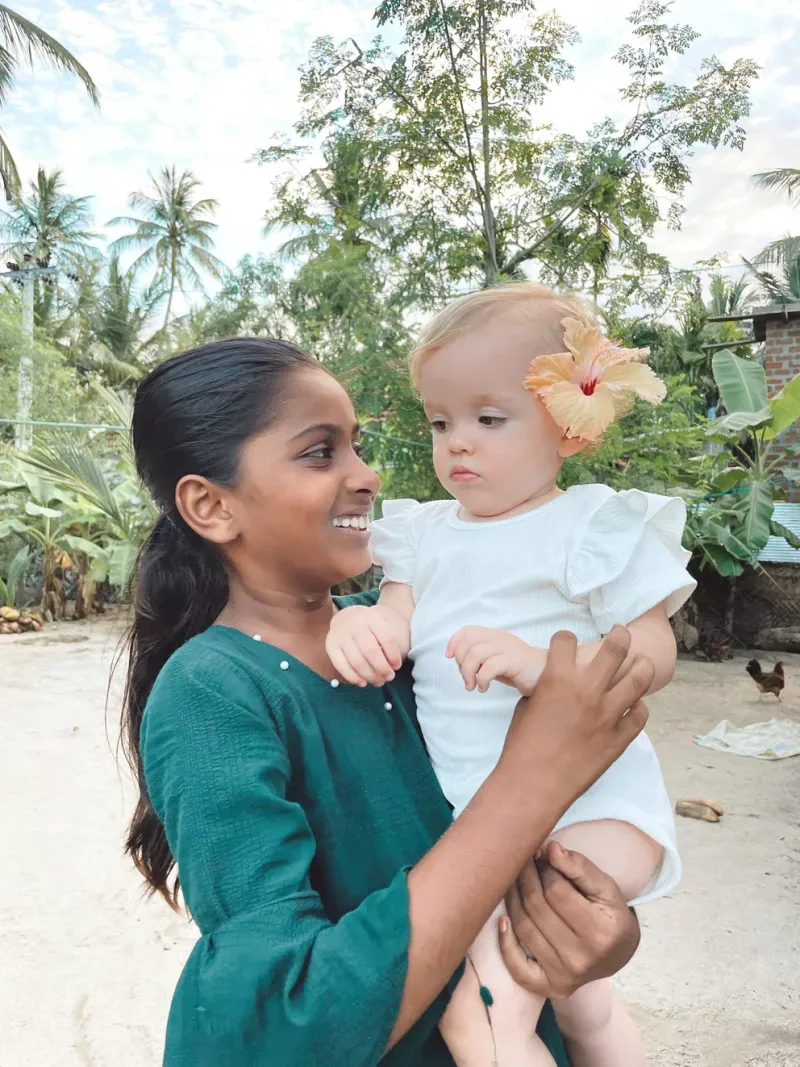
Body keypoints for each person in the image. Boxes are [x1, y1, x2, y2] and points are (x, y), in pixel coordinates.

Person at [122, 336, 654, 1067]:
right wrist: (533, 779)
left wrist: (595, 931)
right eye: (320, 452)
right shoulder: (213, 692)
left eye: (358, 445)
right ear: (211, 505)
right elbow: (289, 1011)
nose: (367, 476)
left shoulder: (415, 632)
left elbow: (553, 848)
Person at [327, 284, 696, 1067]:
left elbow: (655, 651)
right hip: (485, 824)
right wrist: (357, 623)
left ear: (568, 427)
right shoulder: (425, 536)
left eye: (488, 418)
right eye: (440, 420)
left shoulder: (588, 526)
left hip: (592, 811)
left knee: (482, 1012)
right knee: (584, 1004)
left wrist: (545, 669)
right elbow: (392, 618)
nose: (458, 442)